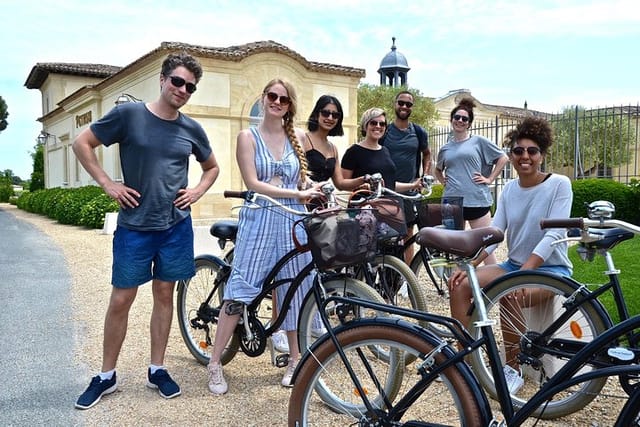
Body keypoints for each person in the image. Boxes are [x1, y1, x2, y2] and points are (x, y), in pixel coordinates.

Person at [73, 52, 220, 409]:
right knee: (121, 299)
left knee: (165, 295)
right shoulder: (129, 115)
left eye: (190, 86)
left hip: (175, 226)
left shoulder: (191, 128)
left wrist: (198, 191)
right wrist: (108, 183)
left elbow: (211, 168)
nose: (183, 90)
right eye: (178, 81)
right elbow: (82, 143)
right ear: (162, 79)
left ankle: (157, 369)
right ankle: (106, 375)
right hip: (135, 227)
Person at [207, 78, 324, 395]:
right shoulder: (248, 137)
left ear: (290, 105)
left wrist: (311, 191)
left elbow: (300, 185)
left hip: (292, 221)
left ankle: (295, 359)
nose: (276, 102)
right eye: (272, 96)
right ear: (263, 98)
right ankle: (215, 362)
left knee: (293, 291)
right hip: (260, 219)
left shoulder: (298, 137)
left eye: (283, 99)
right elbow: (253, 183)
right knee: (241, 288)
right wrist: (295, 193)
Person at [447, 116, 573, 391]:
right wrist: (470, 264)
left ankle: (512, 368)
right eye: (518, 151)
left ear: (542, 154)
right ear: (511, 155)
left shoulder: (559, 185)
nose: (524, 156)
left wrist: (524, 273)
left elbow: (554, 235)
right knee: (459, 285)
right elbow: (495, 233)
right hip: (514, 266)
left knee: (508, 291)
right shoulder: (508, 189)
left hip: (551, 272)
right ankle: (467, 359)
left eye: (532, 151)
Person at [434, 97, 508, 265]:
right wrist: (443, 180)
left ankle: (496, 287)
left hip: (477, 201)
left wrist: (489, 179)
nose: (460, 120)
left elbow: (503, 157)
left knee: (486, 248)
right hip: (452, 202)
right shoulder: (445, 148)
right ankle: (458, 286)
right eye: (457, 117)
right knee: (453, 249)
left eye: (464, 118)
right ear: (451, 120)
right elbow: (437, 169)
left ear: (469, 123)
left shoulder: (478, 142)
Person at [379, 90, 431, 262]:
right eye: (401, 103)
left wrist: (426, 175)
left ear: (412, 108)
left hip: (409, 192)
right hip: (387, 191)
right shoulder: (384, 131)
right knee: (387, 235)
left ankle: (409, 281)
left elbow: (427, 154)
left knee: (409, 235)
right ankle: (390, 277)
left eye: (408, 104)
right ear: (395, 104)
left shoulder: (418, 132)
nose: (404, 106)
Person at [303, 94, 372, 206]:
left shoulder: (333, 148)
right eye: (325, 113)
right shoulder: (303, 139)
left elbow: (340, 183)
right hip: (301, 202)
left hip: (322, 204)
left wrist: (364, 179)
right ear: (316, 115)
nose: (330, 118)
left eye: (335, 115)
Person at [341, 107, 422, 194]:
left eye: (382, 124)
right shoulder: (353, 151)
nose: (378, 126)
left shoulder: (385, 151)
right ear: (365, 126)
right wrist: (362, 185)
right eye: (373, 123)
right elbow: (343, 184)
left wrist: (413, 185)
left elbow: (390, 185)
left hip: (390, 204)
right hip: (365, 205)